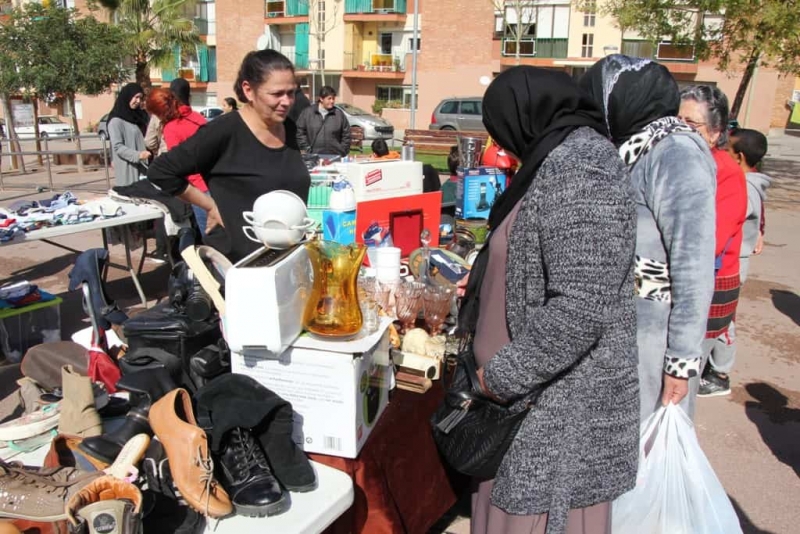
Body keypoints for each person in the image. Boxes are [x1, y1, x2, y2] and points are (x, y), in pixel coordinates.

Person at [459, 66, 639, 534]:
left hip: (552, 413)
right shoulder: (554, 157)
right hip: (523, 408)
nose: (502, 145)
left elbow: (581, 306)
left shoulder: (581, 166)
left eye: (501, 130)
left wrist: (499, 378)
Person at [579, 55, 717, 421]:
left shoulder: (676, 153)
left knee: (643, 451)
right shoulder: (631, 148)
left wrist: (681, 360)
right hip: (619, 332)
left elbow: (694, 264)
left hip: (652, 340)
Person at [148, 49, 311, 262]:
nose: (287, 101)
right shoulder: (223, 131)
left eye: (291, 93)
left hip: (288, 257)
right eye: (277, 94)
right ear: (248, 90)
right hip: (240, 263)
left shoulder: (288, 127)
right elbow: (161, 171)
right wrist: (209, 205)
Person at [678, 85, 748, 397]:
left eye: (691, 124)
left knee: (683, 379)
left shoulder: (727, 172)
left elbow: (710, 243)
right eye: (675, 120)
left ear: (715, 131)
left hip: (708, 284)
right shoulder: (674, 161)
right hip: (676, 281)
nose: (680, 130)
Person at [702, 128, 772, 397]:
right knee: (721, 318)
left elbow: (730, 218)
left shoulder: (744, 186)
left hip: (731, 264)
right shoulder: (749, 181)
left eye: (726, 150)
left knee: (724, 320)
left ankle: (720, 373)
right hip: (731, 261)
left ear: (739, 157)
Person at [145, 88, 210, 236]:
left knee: (211, 239)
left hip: (198, 187)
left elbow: (179, 163)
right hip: (215, 181)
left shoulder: (172, 128)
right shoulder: (197, 117)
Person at [108, 83, 151, 187]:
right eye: (136, 97)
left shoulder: (139, 117)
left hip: (143, 167)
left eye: (140, 98)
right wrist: (138, 155)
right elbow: (118, 147)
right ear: (127, 96)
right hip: (128, 169)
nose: (138, 101)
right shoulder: (116, 121)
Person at [296, 85, 351, 157]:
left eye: (333, 98)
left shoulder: (339, 114)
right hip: (313, 155)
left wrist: (343, 150)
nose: (332, 101)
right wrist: (306, 148)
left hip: (335, 155)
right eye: (329, 98)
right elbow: (300, 132)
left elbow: (346, 134)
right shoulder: (307, 113)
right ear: (321, 99)